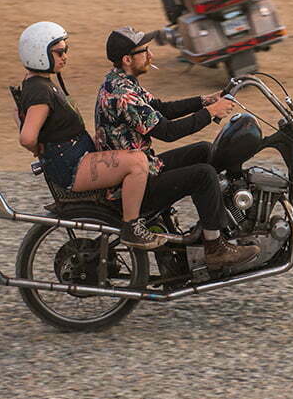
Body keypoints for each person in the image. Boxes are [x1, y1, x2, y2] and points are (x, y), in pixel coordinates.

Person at [94, 26, 259, 269]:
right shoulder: (123, 95)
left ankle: (221, 218)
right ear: (127, 59)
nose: (151, 56)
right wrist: (210, 113)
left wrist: (204, 101)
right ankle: (214, 248)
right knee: (203, 175)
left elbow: (162, 109)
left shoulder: (122, 81)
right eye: (144, 51)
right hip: (132, 187)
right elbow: (168, 132)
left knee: (204, 150)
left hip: (143, 167)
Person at [15, 21, 168, 250]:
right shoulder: (39, 90)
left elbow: (19, 117)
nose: (65, 56)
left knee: (134, 155)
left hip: (75, 158)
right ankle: (131, 228)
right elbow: (27, 137)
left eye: (66, 50)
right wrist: (37, 147)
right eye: (59, 51)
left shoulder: (40, 83)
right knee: (137, 162)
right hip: (72, 167)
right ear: (39, 53)